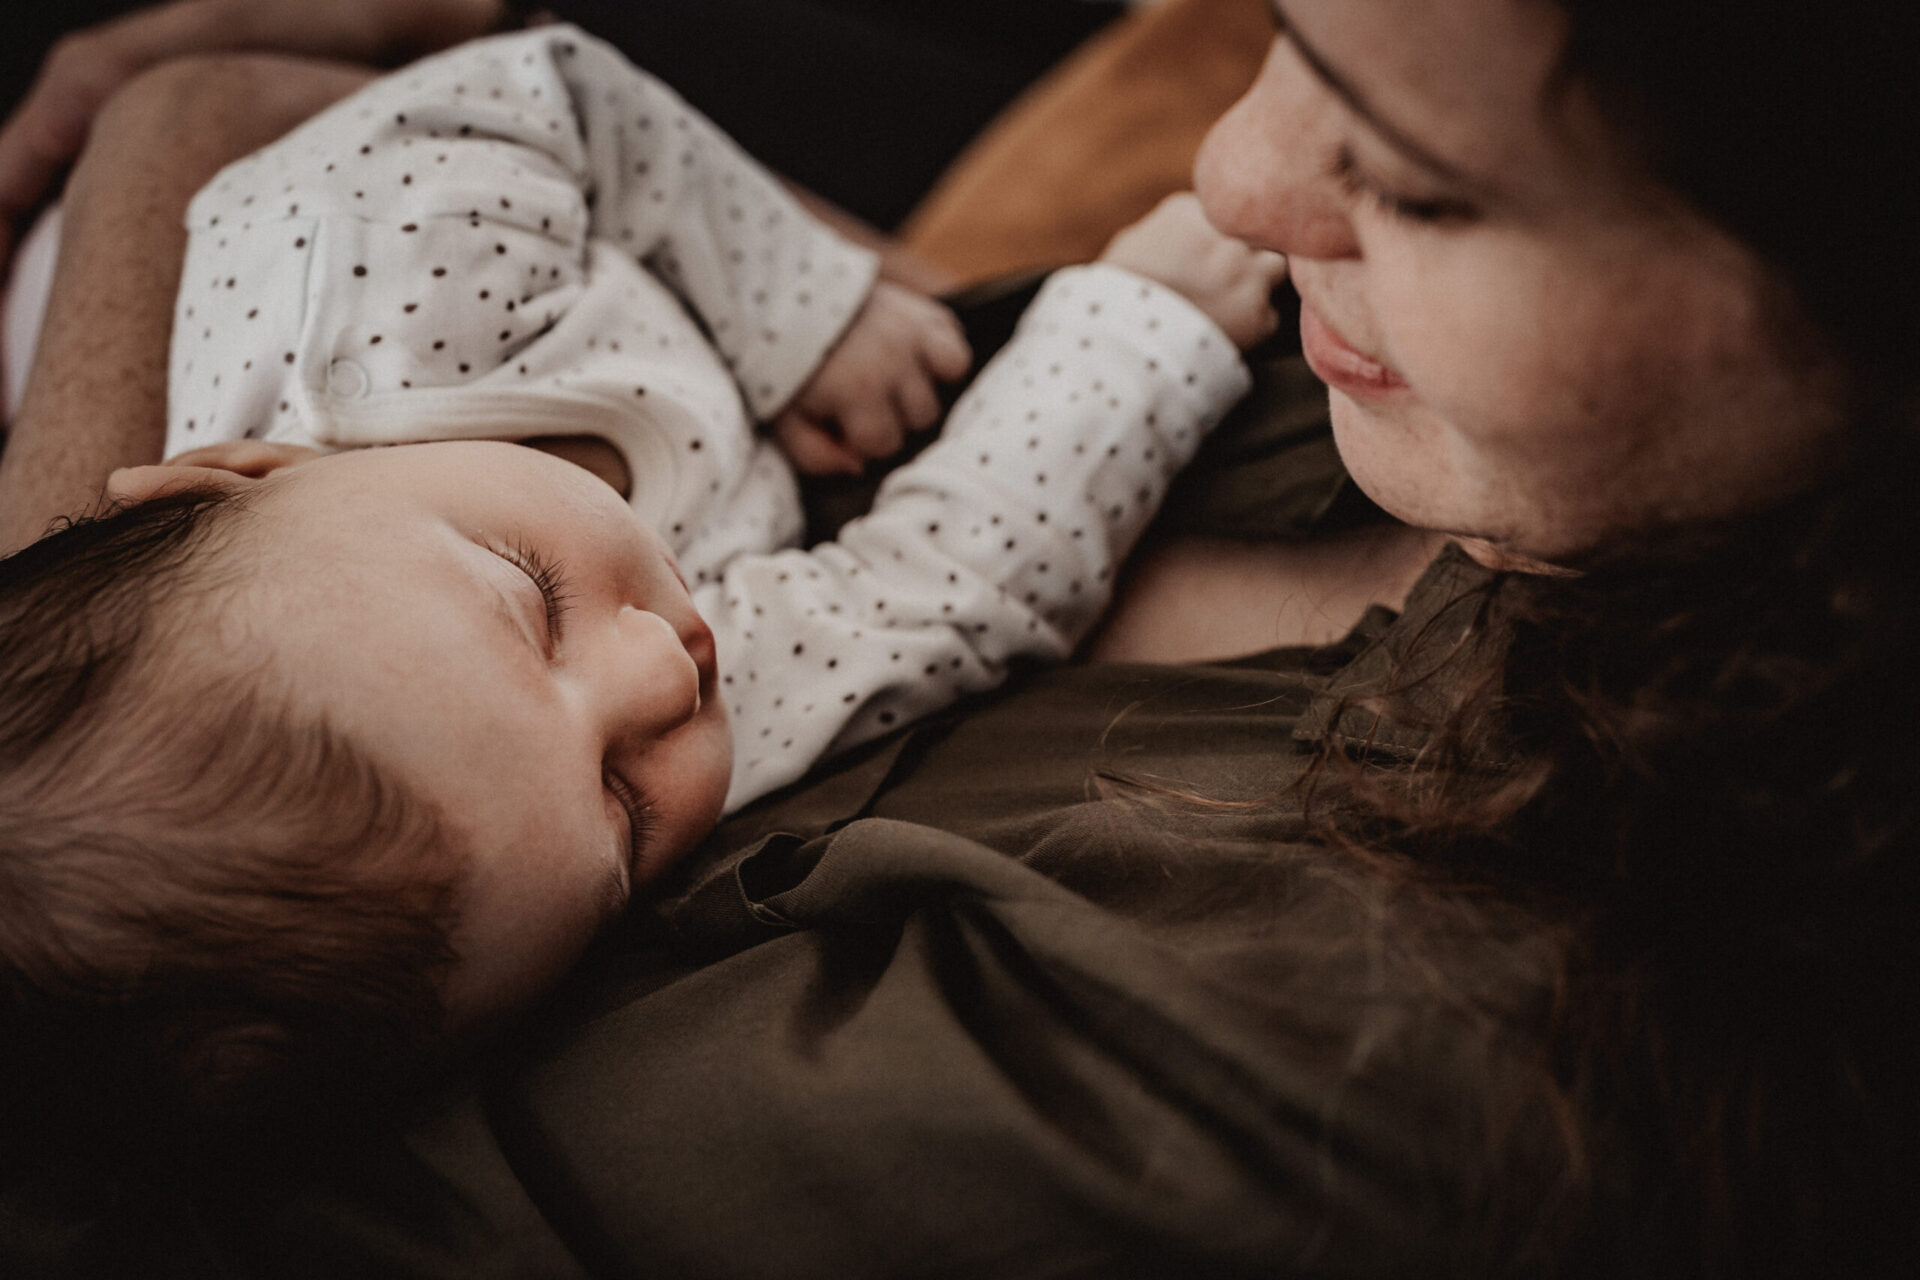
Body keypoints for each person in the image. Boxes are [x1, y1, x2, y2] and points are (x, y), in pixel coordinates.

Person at [2, 0, 1917, 1276]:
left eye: (1423, 178)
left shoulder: (1340, 1070)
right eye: (1279, 25)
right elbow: (920, 365)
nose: (675, 670)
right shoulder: (1507, 440)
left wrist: (194, 132)